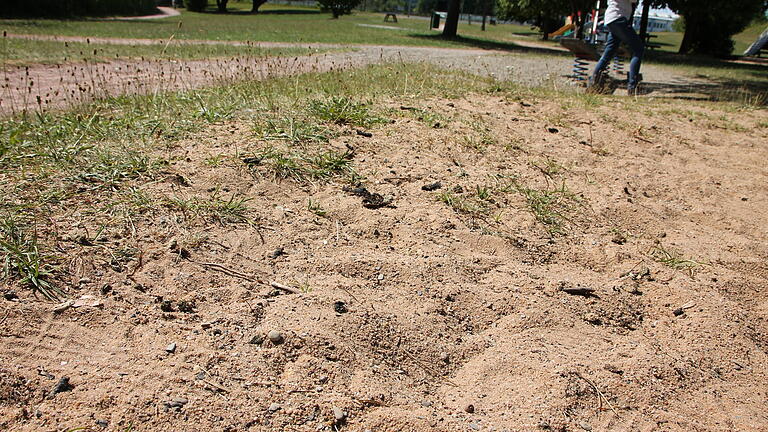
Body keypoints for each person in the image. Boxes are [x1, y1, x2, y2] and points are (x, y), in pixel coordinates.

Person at [588, 0, 644, 95]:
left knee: (608, 53)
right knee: (638, 49)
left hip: (612, 19)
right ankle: (632, 87)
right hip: (618, 19)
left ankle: (593, 83)